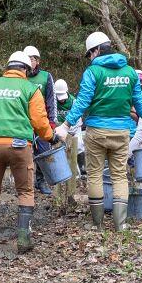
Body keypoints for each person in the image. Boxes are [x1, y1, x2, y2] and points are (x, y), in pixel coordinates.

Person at [53, 32, 142, 232]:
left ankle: (97, 224)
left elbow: (82, 102)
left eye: (89, 54)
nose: (90, 58)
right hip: (121, 132)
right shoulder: (130, 72)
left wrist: (65, 126)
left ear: (97, 50)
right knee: (119, 176)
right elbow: (139, 101)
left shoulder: (93, 72)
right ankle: (120, 223)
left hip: (97, 131)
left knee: (95, 175)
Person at [0, 51, 55, 252]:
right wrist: (51, 137)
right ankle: (24, 238)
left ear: (7, 67)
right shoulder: (31, 88)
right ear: (25, 69)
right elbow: (40, 123)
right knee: (25, 191)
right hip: (19, 146)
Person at [23, 45, 58, 195]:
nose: (30, 62)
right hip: (23, 121)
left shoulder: (45, 76)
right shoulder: (20, 77)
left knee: (43, 152)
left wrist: (52, 121)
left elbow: (52, 99)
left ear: (37, 61)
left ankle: (41, 181)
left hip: (41, 120)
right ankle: (24, 183)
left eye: (33, 59)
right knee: (22, 153)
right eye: (28, 59)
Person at [52, 79, 79, 212]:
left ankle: (71, 194)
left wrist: (69, 131)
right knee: (57, 161)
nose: (61, 100)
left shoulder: (73, 101)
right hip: (57, 134)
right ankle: (57, 196)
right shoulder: (53, 101)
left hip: (71, 133)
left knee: (72, 161)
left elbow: (78, 120)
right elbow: (51, 117)